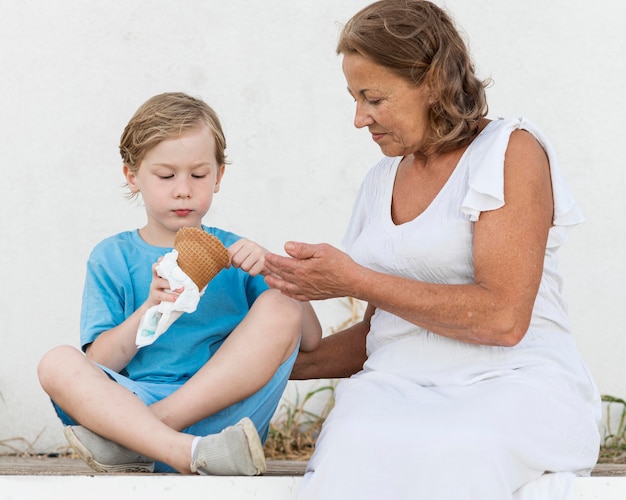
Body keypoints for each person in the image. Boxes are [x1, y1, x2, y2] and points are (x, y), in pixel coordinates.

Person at [264, 1, 601, 498]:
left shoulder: (509, 151)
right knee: (350, 449)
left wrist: (352, 280)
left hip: (512, 383)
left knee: (456, 450)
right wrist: (258, 358)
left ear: (433, 82)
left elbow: (503, 320)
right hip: (394, 389)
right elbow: (387, 329)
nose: (360, 118)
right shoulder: (380, 182)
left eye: (373, 98)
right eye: (354, 98)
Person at [37, 92, 322, 475]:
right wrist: (148, 310)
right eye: (166, 175)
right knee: (56, 362)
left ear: (219, 176)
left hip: (225, 419)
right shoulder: (112, 257)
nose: (183, 189)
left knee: (281, 305)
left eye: (199, 175)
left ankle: (141, 441)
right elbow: (99, 362)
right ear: (132, 175)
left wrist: (279, 276)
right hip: (133, 404)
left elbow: (310, 339)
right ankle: (184, 451)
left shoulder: (238, 255)